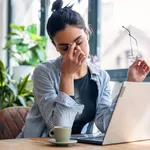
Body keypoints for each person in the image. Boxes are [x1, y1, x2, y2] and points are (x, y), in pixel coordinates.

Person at [17, 0, 150, 138]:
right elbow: (59, 132)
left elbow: (105, 124)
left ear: (87, 33)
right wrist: (67, 75)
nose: (75, 51)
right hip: (38, 145)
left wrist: (130, 83)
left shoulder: (101, 77)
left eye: (79, 42)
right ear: (55, 46)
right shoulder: (44, 72)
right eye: (64, 48)